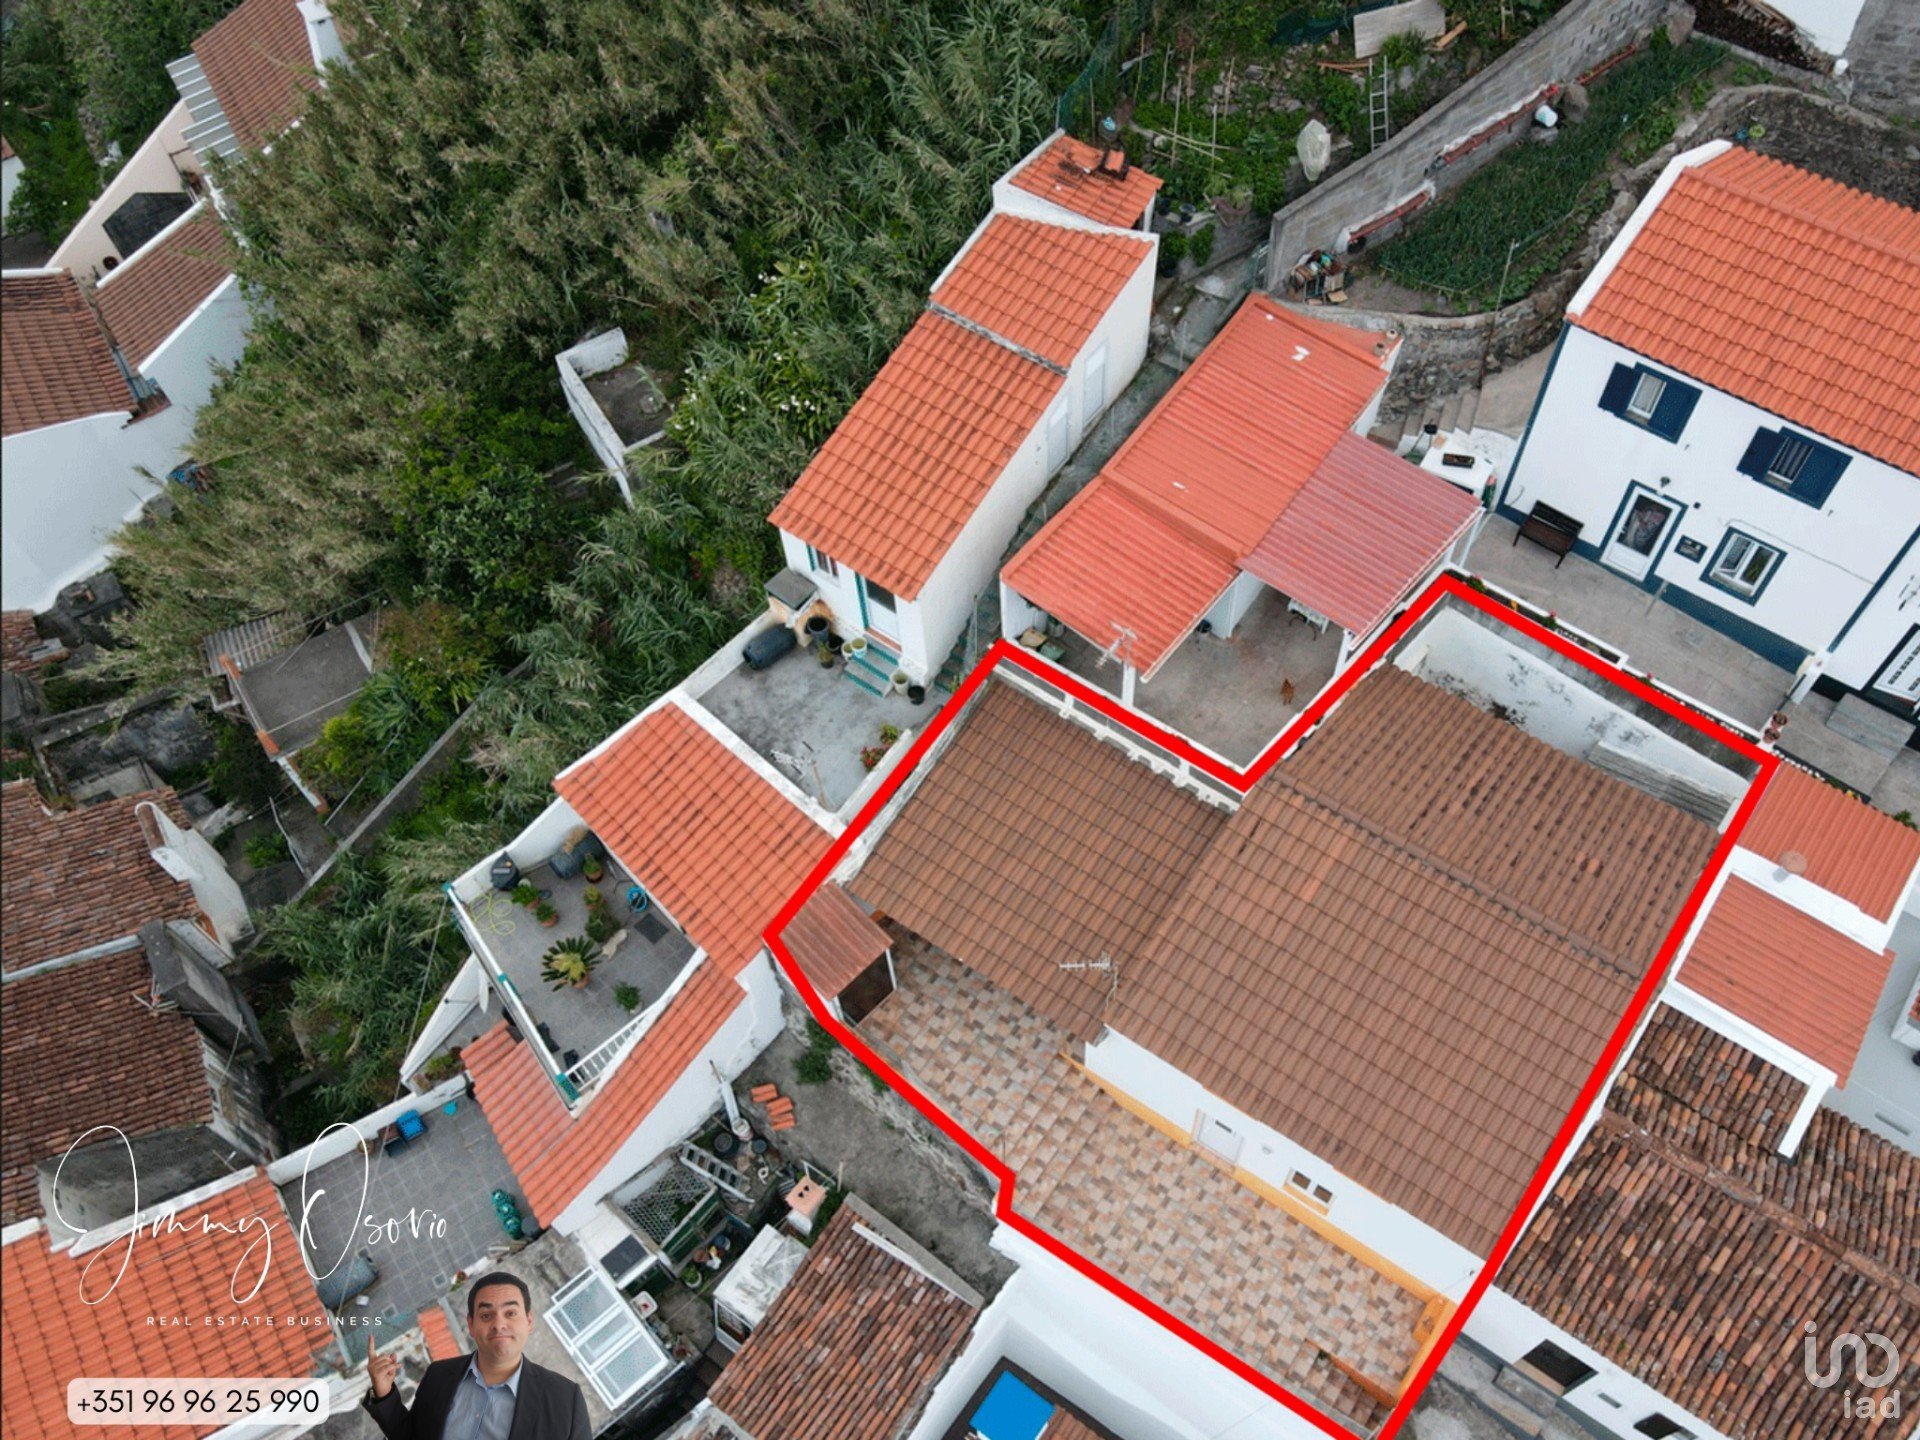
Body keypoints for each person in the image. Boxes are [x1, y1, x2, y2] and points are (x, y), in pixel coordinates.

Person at [362, 1273, 591, 1440]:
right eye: (486, 1315)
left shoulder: (565, 1401)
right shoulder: (439, 1375)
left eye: (510, 1313)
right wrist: (384, 1393)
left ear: (529, 1321)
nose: (499, 1324)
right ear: (471, 1325)